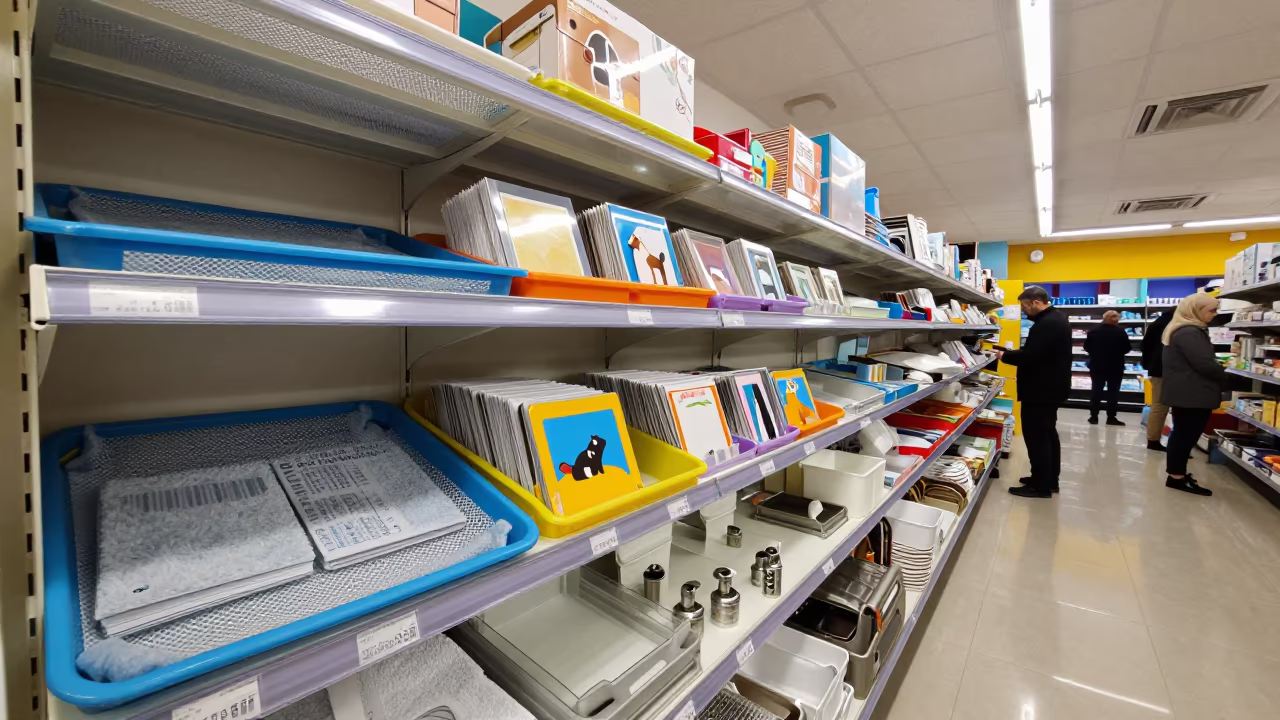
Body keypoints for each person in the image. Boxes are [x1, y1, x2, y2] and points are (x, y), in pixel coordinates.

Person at [995, 285, 1072, 498]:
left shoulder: (1046, 324)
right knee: (1047, 435)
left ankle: (1040, 485)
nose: (1023, 312)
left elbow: (1032, 357)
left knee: (1037, 437)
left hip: (1041, 390)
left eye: (1024, 307)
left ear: (1036, 302)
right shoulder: (1056, 319)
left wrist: (1005, 356)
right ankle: (1047, 478)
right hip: (1050, 388)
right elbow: (1038, 352)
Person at [1160, 292, 1225, 497]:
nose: (1214, 314)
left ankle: (1176, 474)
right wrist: (1227, 376)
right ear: (1195, 310)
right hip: (1192, 393)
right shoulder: (1189, 332)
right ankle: (1177, 477)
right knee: (1185, 435)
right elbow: (1204, 364)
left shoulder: (1180, 329)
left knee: (1182, 434)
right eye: (1211, 310)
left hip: (1186, 391)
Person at [1084, 310, 1131, 425]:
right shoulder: (1121, 332)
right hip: (1115, 366)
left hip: (1097, 365)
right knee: (1113, 392)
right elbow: (1127, 348)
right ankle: (1111, 417)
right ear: (1116, 320)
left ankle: (1094, 416)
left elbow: (1086, 347)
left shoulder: (1093, 331)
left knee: (1096, 390)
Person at [1141, 311, 1174, 451]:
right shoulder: (1173, 326)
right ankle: (1154, 440)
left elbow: (1144, 346)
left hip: (1156, 368)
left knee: (1158, 405)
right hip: (1166, 369)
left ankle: (1153, 439)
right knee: (1160, 406)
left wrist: (1148, 364)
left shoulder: (1155, 324)